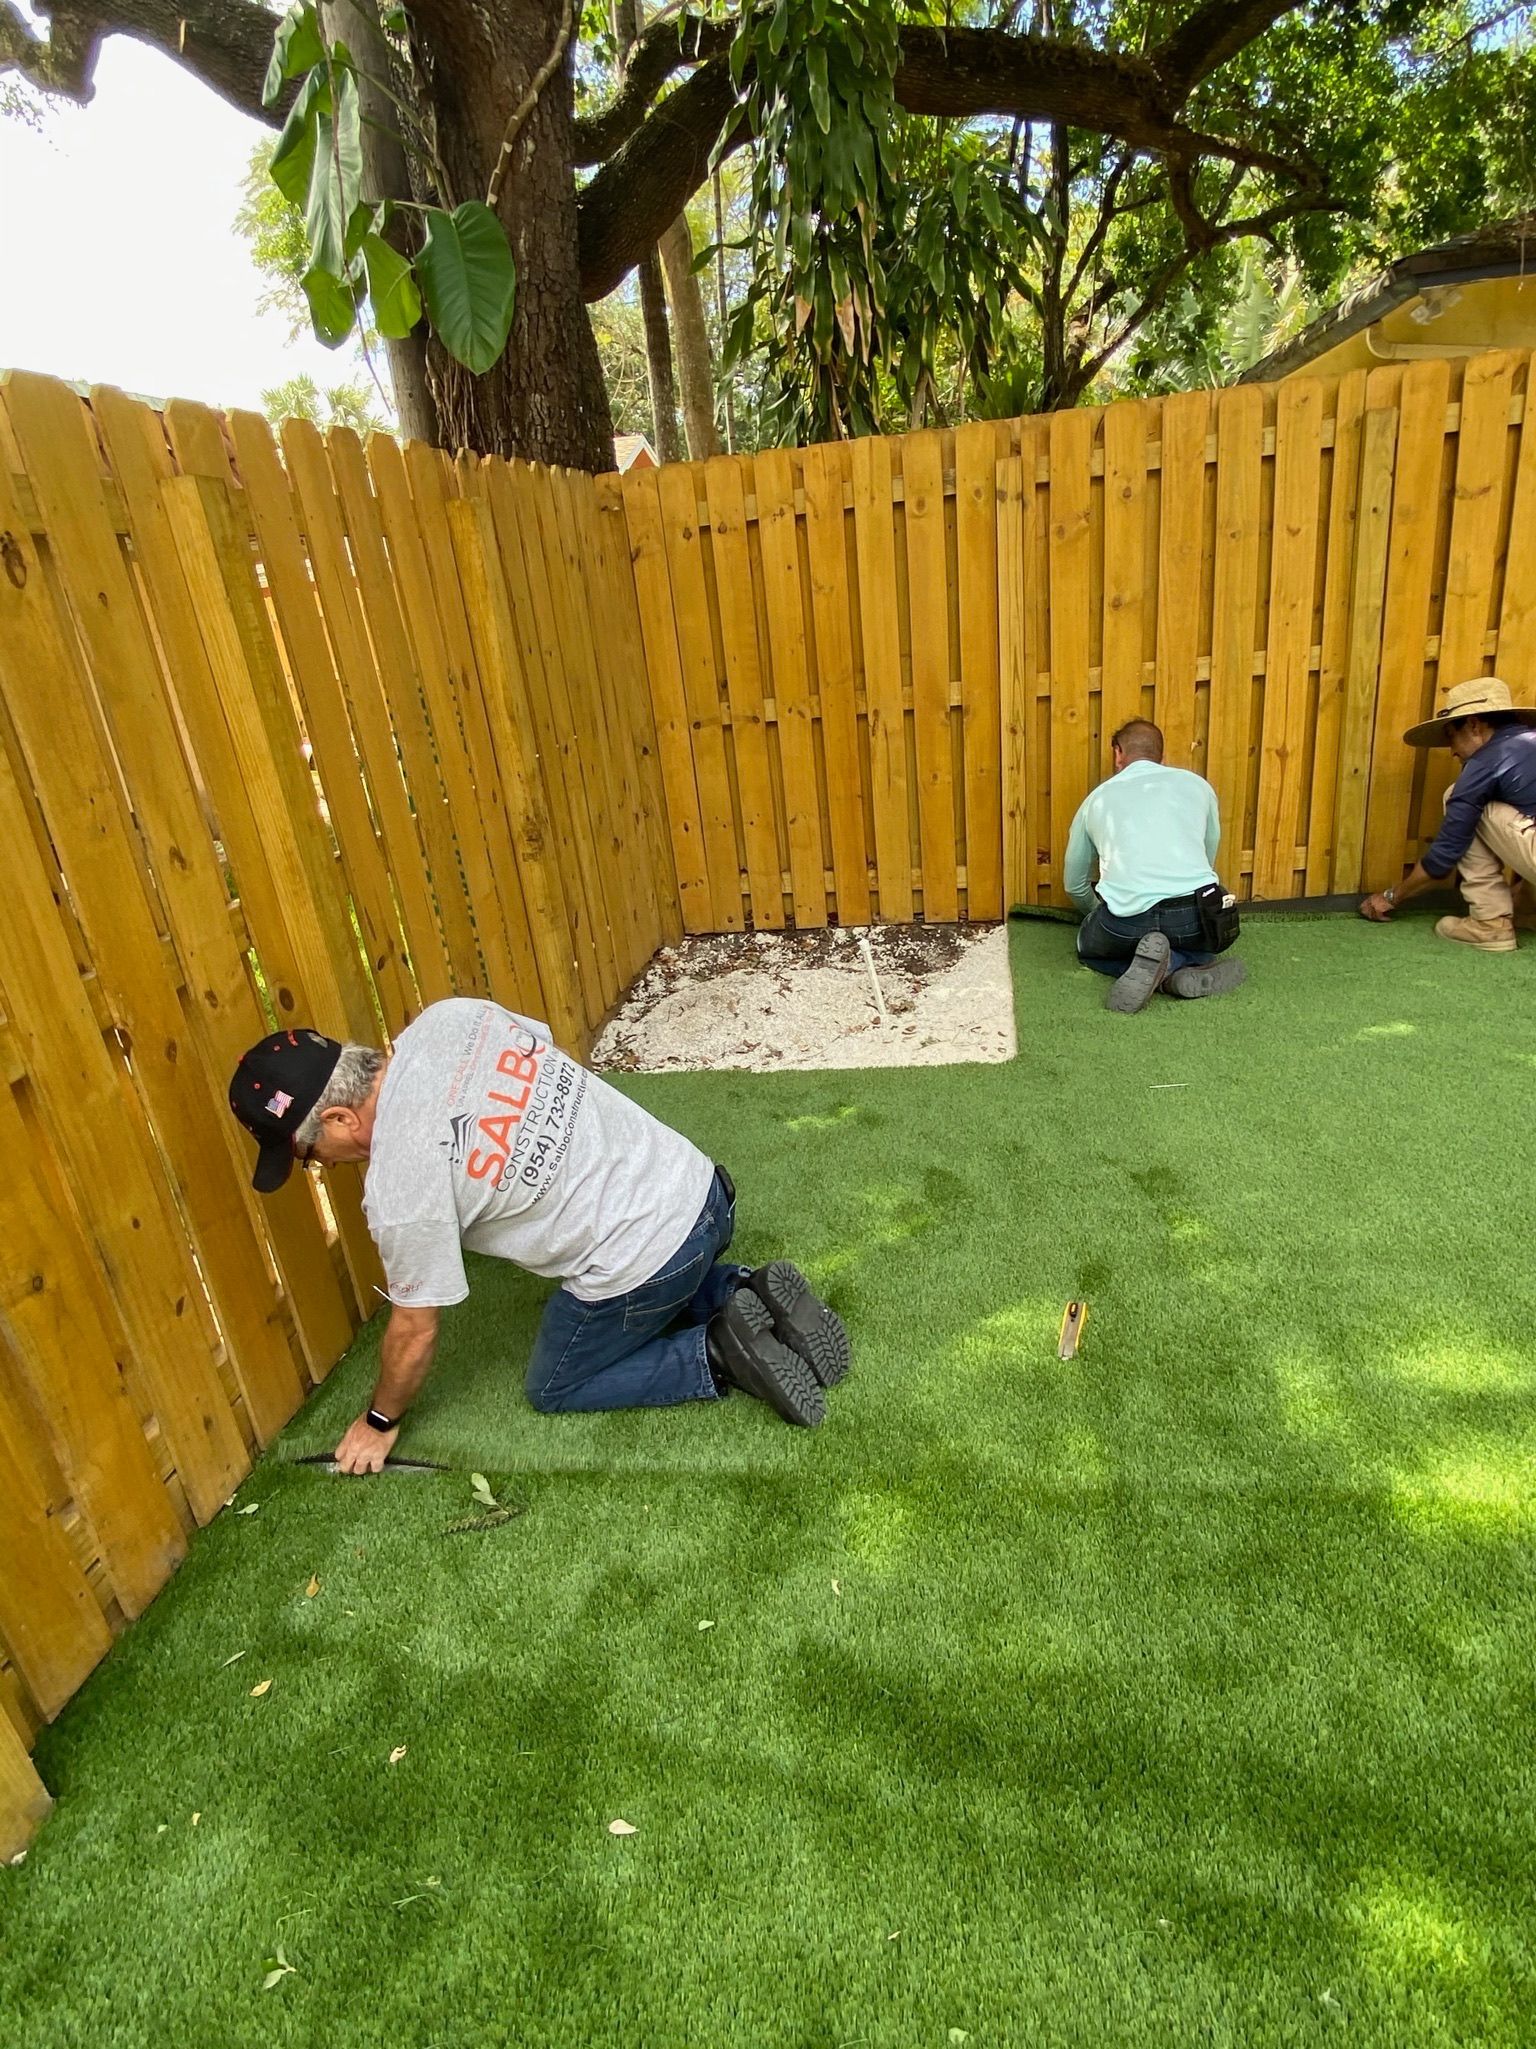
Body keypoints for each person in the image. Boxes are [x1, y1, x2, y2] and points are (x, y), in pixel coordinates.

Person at [228, 1000, 850, 1473]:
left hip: (652, 1258)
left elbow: (415, 1329)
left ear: (338, 1118)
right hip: (701, 1188)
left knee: (557, 1386)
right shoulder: (450, 1018)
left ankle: (717, 1352)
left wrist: (379, 1420)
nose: (322, 1166)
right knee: (641, 1267)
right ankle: (743, 1291)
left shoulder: (398, 1185)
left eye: (311, 1152)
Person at [1063, 719, 1246, 1014]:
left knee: (1088, 950)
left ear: (1117, 753)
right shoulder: (1198, 787)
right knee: (1205, 946)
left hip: (1126, 920)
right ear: (1161, 755)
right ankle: (1181, 965)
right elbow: (1207, 856)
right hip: (1193, 916)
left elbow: (1074, 883)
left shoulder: (1095, 801)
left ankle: (1156, 969)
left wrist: (1095, 911)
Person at [1359, 678, 1536, 950]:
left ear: (1474, 725)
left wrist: (1392, 896)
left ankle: (1490, 924)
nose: (1452, 751)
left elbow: (1444, 858)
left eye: (1451, 736)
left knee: (1458, 797)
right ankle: (1528, 908)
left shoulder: (1485, 762)